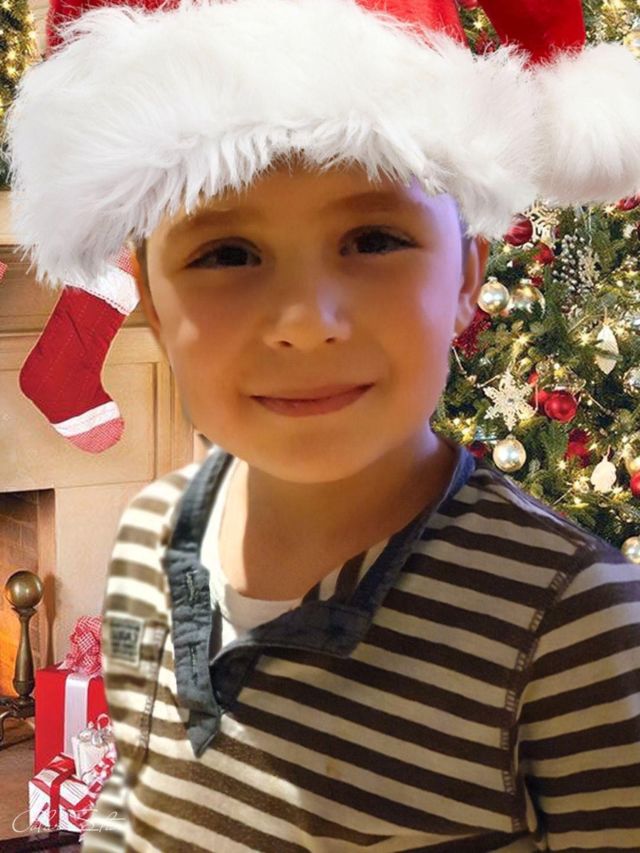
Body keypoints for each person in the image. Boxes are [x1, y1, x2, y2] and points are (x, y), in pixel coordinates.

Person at [4, 0, 640, 850]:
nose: (306, 321)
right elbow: (133, 799)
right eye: (227, 254)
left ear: (466, 275)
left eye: (373, 239)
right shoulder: (150, 539)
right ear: (148, 296)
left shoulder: (573, 623)